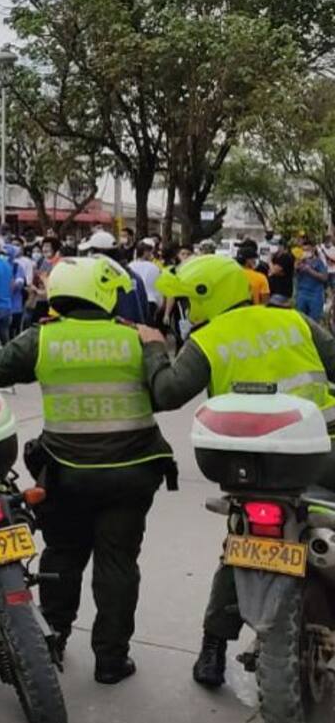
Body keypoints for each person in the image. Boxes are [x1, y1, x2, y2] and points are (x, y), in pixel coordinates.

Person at [141, 254, 335, 688]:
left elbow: (167, 393)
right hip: (321, 453)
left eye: (188, 301)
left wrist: (154, 348)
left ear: (206, 298)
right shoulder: (294, 321)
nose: (186, 310)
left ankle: (213, 648)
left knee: (241, 545)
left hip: (254, 468)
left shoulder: (208, 340)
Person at [0, 256, 174, 684]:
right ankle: (111, 660)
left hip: (66, 474)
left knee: (63, 555)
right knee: (118, 564)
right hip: (131, 473)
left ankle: (52, 642)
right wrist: (155, 347)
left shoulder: (43, 338)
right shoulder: (135, 336)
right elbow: (165, 392)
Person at [295, 239, 327, 321]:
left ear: (313, 249)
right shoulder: (300, 261)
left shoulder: (319, 262)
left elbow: (324, 278)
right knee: (300, 319)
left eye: (308, 250)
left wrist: (310, 271)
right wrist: (297, 266)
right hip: (302, 294)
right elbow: (294, 273)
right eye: (304, 250)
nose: (306, 252)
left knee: (314, 321)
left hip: (315, 295)